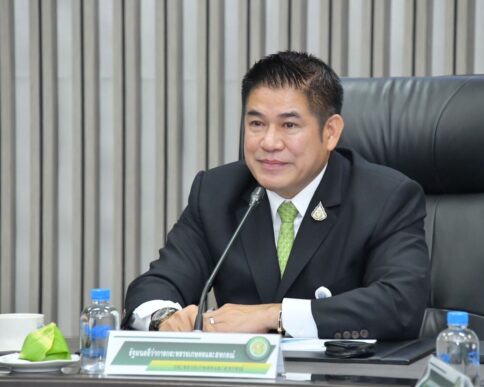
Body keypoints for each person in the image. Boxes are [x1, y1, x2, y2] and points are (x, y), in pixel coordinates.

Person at [122, 51, 430, 340]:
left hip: (340, 375)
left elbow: (400, 303)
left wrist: (275, 316)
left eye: (289, 125)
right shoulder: (217, 192)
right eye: (256, 124)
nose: (269, 142)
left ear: (330, 132)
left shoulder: (385, 197)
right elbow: (157, 283)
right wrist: (165, 316)